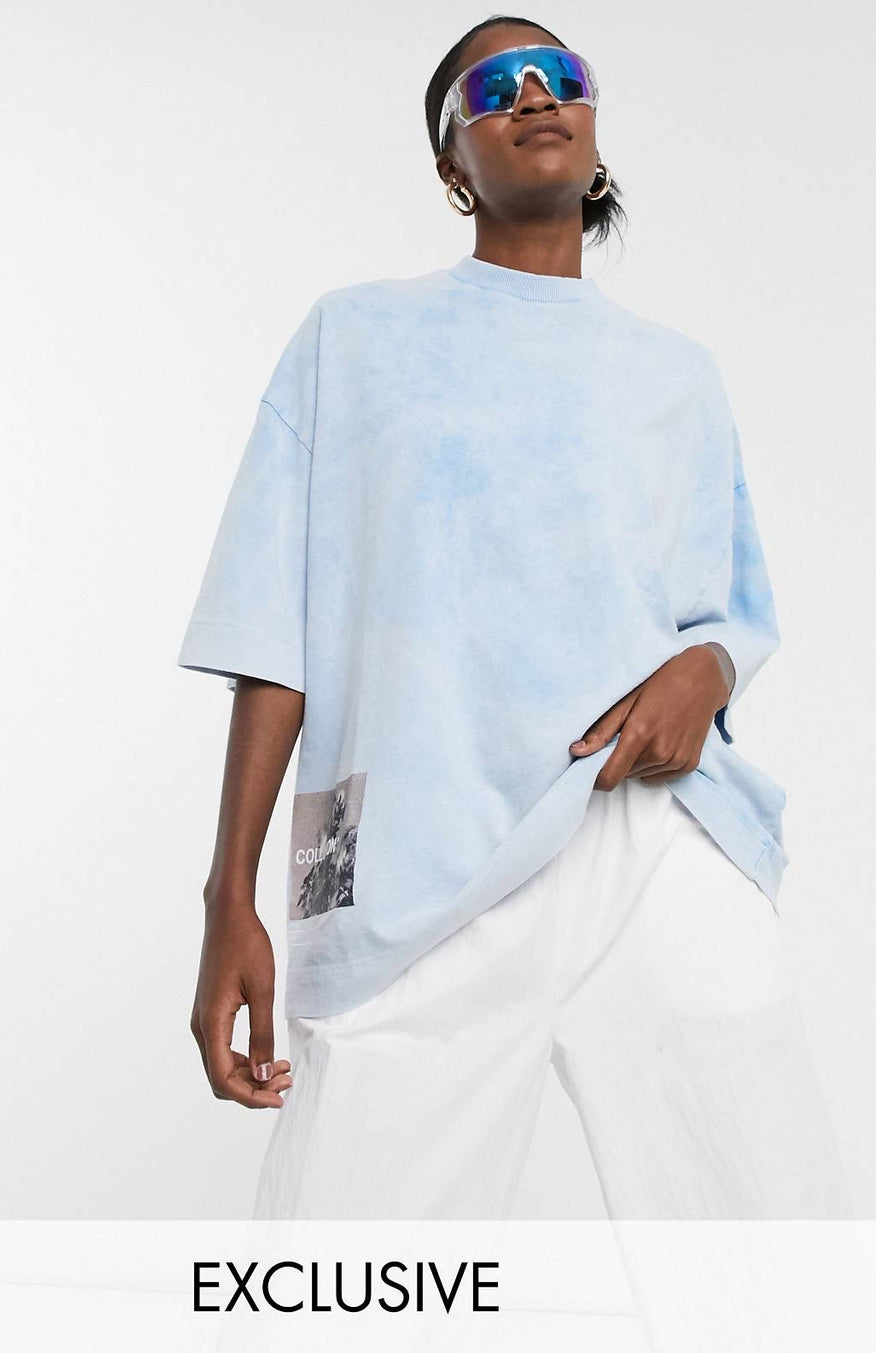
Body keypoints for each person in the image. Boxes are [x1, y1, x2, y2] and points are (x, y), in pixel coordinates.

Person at [178, 15, 855, 1231]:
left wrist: (707, 668)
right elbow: (271, 624)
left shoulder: (677, 374)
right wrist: (228, 894)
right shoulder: (354, 338)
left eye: (560, 78)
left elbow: (727, 610)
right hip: (421, 854)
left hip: (649, 836)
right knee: (346, 1275)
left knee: (771, 1235)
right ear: (452, 166)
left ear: (592, 133)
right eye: (495, 86)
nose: (535, 95)